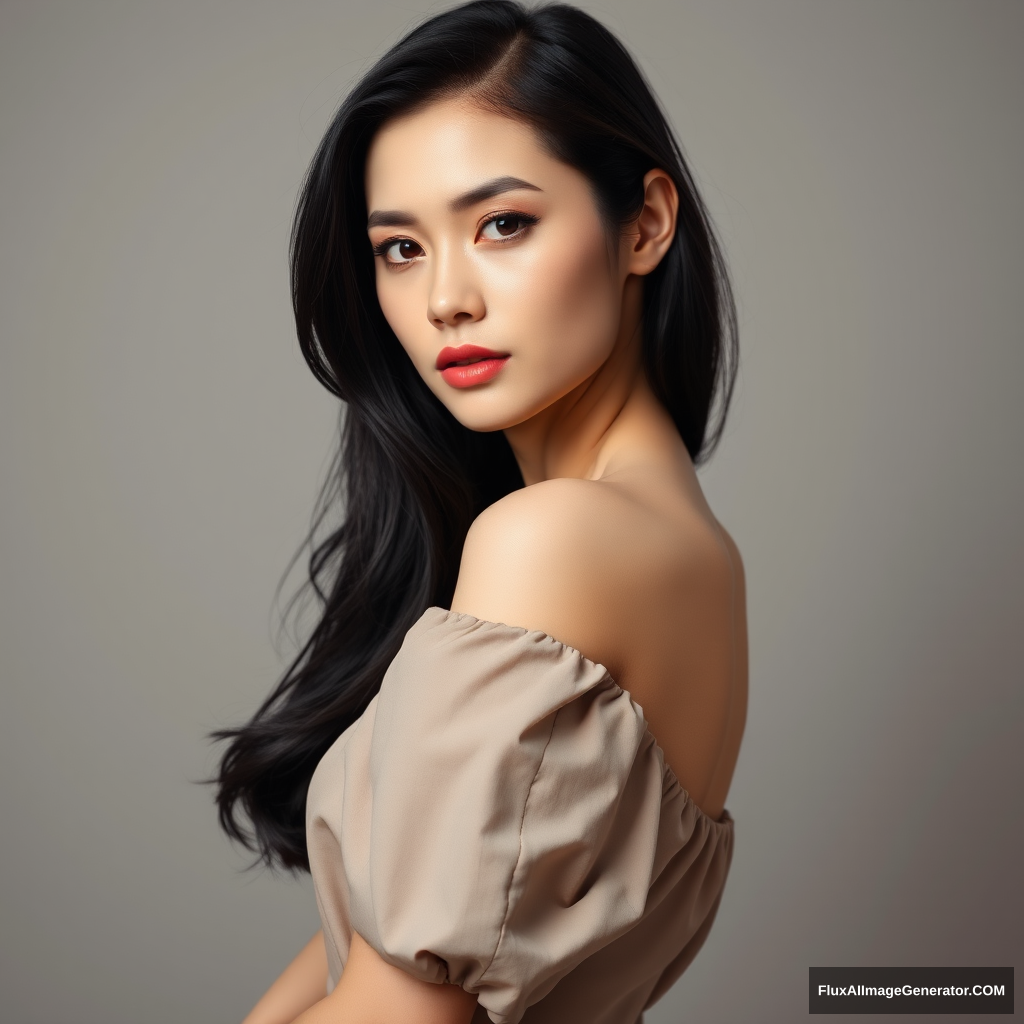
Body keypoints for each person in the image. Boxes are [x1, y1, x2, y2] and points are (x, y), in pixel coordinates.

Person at [213, 2, 747, 1021]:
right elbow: (366, 957)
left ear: (644, 224)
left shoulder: (550, 542)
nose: (445, 297)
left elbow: (401, 1006)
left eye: (503, 223)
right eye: (400, 248)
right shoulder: (676, 547)